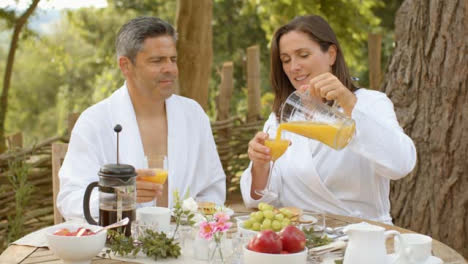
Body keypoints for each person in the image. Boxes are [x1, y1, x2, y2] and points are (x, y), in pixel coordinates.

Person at [240, 15, 416, 224]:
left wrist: (350, 103)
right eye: (286, 60)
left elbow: (402, 164)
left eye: (303, 55)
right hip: (298, 241)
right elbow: (261, 200)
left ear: (331, 55)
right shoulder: (281, 118)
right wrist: (260, 165)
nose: (293, 66)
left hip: (361, 240)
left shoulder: (370, 103)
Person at [57, 17, 226, 220]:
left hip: (187, 242)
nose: (171, 69)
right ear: (125, 65)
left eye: (173, 59)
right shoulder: (94, 122)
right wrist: (121, 197)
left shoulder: (194, 115)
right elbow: (70, 199)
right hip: (117, 246)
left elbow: (212, 189)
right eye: (157, 61)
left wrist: (188, 226)